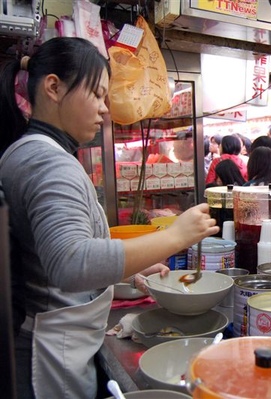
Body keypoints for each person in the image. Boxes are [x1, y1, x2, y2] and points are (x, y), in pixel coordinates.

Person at [0, 37, 219, 399]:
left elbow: (46, 253)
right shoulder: (50, 163)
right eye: (98, 95)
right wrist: (174, 237)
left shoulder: (25, 151)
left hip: (47, 344)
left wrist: (130, 268)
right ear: (53, 87)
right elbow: (69, 264)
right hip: (48, 358)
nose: (105, 110)